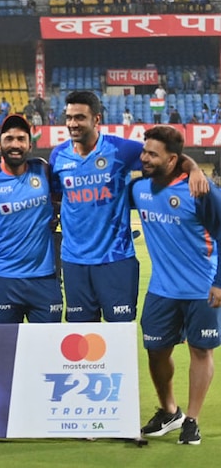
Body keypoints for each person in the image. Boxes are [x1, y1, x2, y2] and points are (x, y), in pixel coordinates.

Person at [50, 90, 207, 323]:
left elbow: (166, 156)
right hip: (74, 261)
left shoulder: (120, 150)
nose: (73, 123)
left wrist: (194, 169)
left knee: (119, 335)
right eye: (70, 117)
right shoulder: (58, 156)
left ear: (96, 119)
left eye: (80, 117)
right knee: (81, 340)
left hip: (117, 259)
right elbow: (56, 197)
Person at [132, 126, 221, 445]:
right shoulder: (139, 189)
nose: (144, 158)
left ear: (172, 159)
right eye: (144, 152)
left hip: (202, 289)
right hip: (161, 290)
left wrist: (220, 282)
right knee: (155, 350)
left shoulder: (201, 191)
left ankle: (193, 420)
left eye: (152, 154)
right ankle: (171, 411)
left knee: (201, 351)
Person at [0, 115, 61, 323]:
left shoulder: (43, 171)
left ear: (29, 145)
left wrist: (56, 214)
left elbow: (66, 200)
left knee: (47, 350)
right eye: (9, 139)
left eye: (21, 139)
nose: (15, 144)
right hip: (5, 279)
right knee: (7, 351)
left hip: (45, 278)